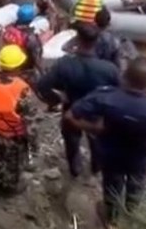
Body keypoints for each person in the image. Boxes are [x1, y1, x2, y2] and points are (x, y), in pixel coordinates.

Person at [65, 55, 146, 225]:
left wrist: (93, 128)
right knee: (136, 189)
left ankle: (111, 219)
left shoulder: (104, 97)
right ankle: (132, 216)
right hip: (138, 160)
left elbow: (69, 116)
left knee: (112, 188)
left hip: (111, 157)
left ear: (124, 77)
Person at [36, 22, 120, 178]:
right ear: (97, 42)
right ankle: (96, 167)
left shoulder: (64, 64)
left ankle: (75, 169)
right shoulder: (109, 69)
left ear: (77, 40)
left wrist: (56, 99)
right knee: (97, 141)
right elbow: (120, 94)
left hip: (71, 109)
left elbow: (41, 86)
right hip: (97, 112)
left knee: (72, 141)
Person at [0, 45, 42, 195]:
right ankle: (10, 188)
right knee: (13, 162)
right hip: (13, 136)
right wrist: (34, 146)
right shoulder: (21, 90)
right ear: (18, 66)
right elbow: (31, 124)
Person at [2, 3, 44, 81]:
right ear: (31, 19)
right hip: (23, 67)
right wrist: (43, 74)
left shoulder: (9, 29)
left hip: (8, 62)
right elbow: (37, 59)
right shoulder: (31, 38)